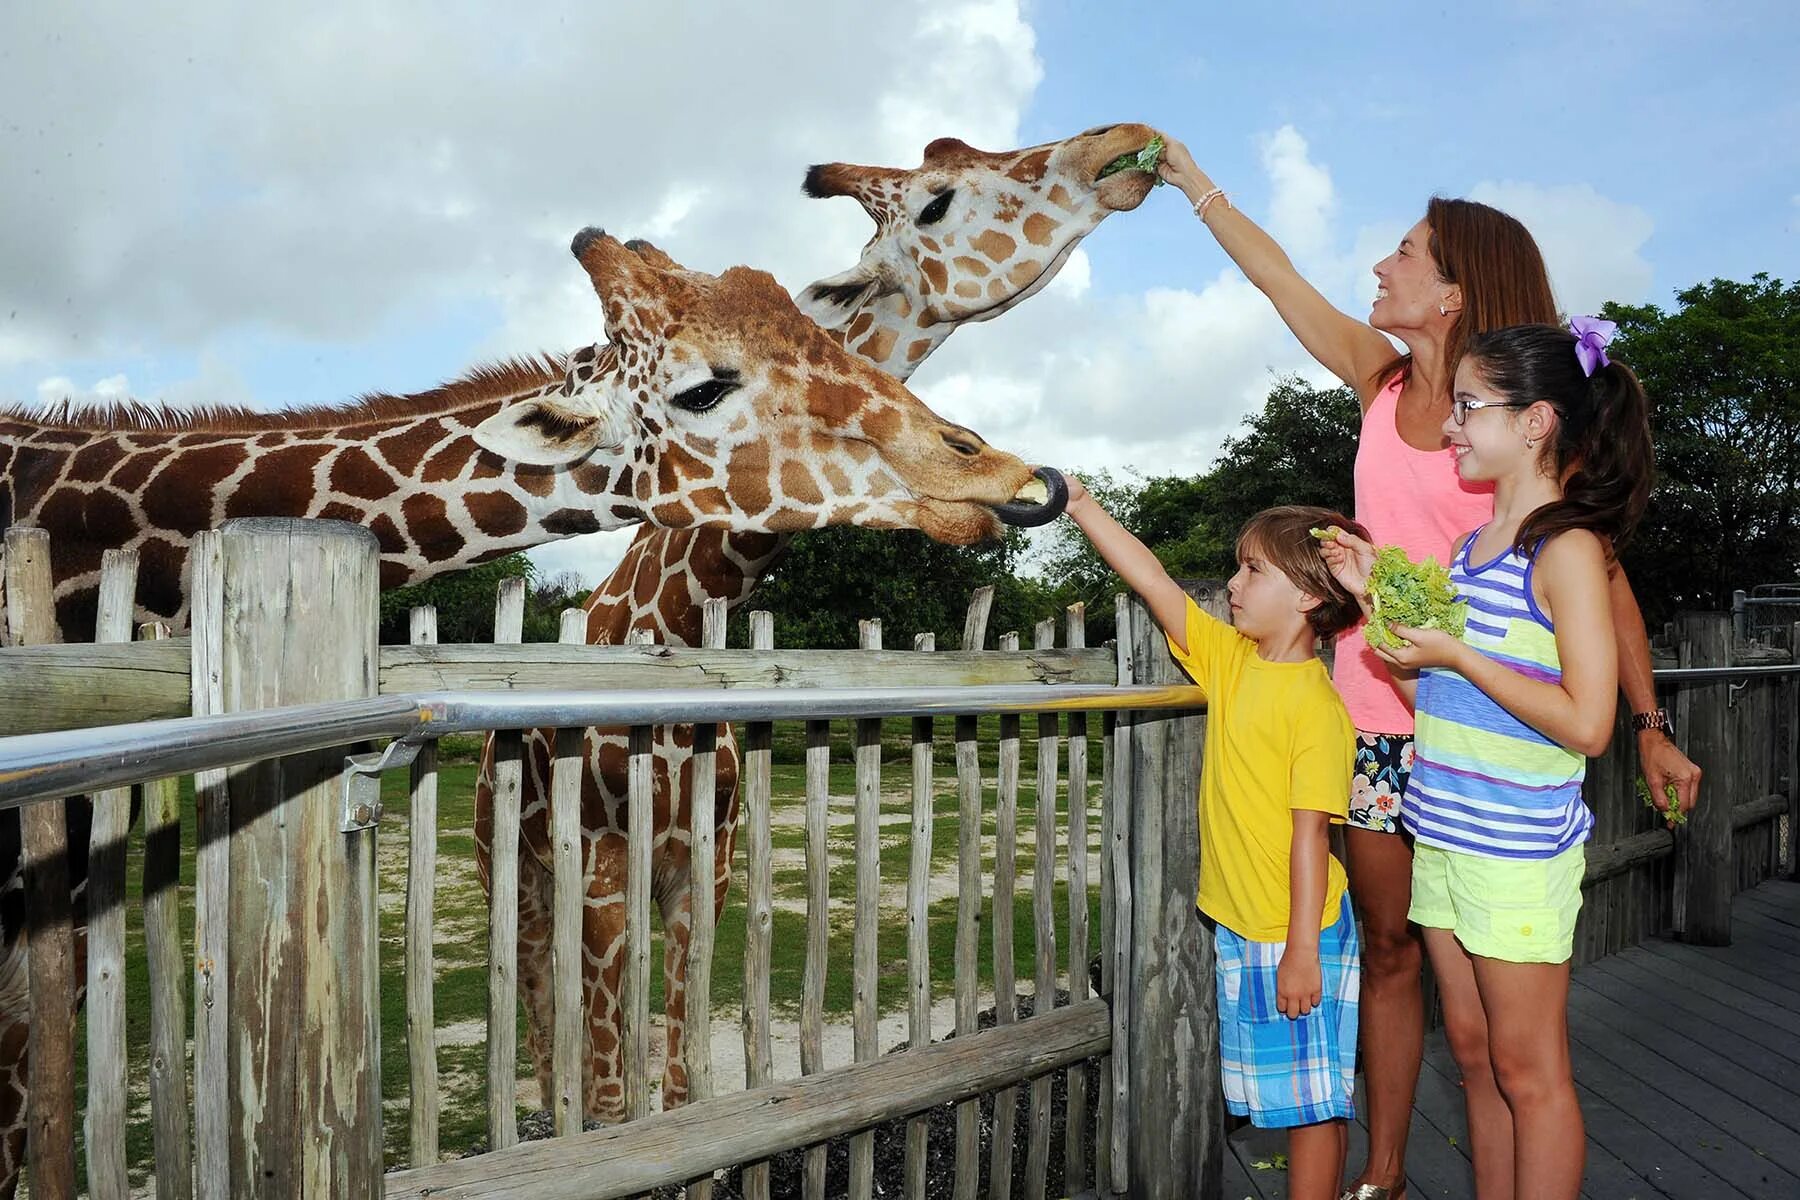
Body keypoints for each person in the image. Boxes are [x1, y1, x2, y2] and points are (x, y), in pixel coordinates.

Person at [1155, 135, 1701, 1200]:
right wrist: (1191, 180)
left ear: (1454, 290)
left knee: (1492, 1017)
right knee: (1392, 952)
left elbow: (1604, 589)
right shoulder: (1381, 379)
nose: (1379, 266)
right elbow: (1279, 280)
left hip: (1475, 735)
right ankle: (1388, 1169)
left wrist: (1646, 722)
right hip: (1372, 717)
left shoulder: (1522, 434)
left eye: (1404, 252)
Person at [1320, 318, 1655, 1199]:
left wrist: (1464, 655)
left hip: (1514, 853)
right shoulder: (1471, 553)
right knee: (1474, 1056)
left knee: (1529, 1071)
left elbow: (1589, 723)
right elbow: (1438, 709)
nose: (1451, 426)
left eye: (1469, 407)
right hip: (1444, 837)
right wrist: (1377, 604)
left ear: (1537, 421)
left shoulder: (1567, 550)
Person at [1061, 488, 1368, 1200]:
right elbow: (1153, 580)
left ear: (1308, 598)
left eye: (1253, 571)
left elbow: (1310, 837)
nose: (1232, 582)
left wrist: (1298, 951)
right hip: (1246, 924)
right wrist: (1082, 506)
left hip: (1297, 930)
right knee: (1305, 1090)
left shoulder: (1316, 710)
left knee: (1311, 1108)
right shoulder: (1232, 660)